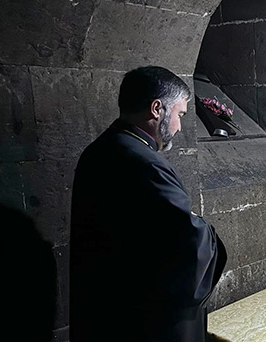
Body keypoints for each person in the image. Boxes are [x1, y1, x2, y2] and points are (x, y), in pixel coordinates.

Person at [70, 66, 227, 342]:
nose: (179, 127)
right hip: (147, 320)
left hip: (108, 312)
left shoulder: (100, 150)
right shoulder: (146, 163)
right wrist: (204, 227)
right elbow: (188, 241)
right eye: (179, 114)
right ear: (157, 109)